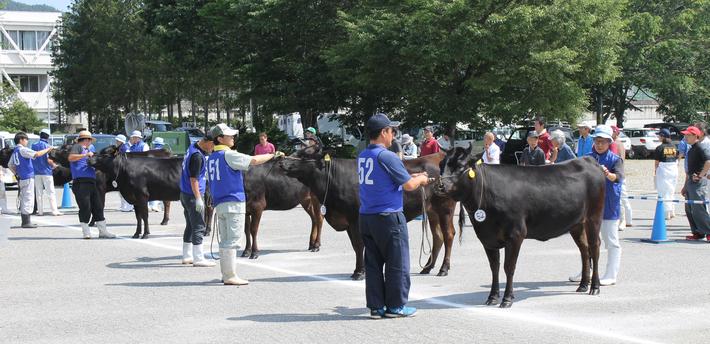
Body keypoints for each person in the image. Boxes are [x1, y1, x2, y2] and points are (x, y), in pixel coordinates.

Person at [358, 113, 430, 318]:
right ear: (383, 132)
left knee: (372, 263)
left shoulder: (363, 155)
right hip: (388, 217)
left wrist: (410, 177)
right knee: (397, 262)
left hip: (367, 216)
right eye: (392, 131)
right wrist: (422, 178)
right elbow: (408, 185)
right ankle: (396, 306)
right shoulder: (387, 155)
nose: (393, 135)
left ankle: (376, 306)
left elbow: (388, 179)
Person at [207, 123, 281, 285]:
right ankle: (230, 275)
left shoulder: (211, 157)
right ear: (220, 139)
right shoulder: (229, 155)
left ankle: (226, 273)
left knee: (225, 240)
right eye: (229, 136)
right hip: (233, 202)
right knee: (232, 241)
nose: (233, 137)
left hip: (220, 203)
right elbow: (253, 160)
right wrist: (273, 155)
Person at [581, 124, 623, 286]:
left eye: (603, 141)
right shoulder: (587, 158)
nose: (599, 144)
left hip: (609, 203)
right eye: (597, 141)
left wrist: (607, 174)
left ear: (609, 142)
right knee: (587, 240)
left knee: (611, 240)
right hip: (589, 206)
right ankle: (586, 270)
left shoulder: (615, 159)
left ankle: (611, 274)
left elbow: (618, 177)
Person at [67, 130, 115, 239]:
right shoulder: (78, 147)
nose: (90, 142)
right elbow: (70, 158)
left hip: (91, 181)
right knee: (85, 207)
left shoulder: (88, 150)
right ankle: (86, 232)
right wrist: (85, 155)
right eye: (89, 140)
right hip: (81, 182)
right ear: (85, 140)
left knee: (98, 206)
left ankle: (103, 231)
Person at [179, 134, 215, 266]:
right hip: (193, 195)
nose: (213, 148)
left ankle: (187, 255)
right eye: (213, 145)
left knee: (190, 225)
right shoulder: (197, 157)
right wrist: (199, 198)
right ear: (207, 142)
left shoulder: (192, 147)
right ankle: (198, 258)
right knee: (199, 226)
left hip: (184, 193)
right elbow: (193, 179)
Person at [9, 132, 54, 227]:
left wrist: (16, 173)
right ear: (21, 139)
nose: (27, 142)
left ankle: (25, 220)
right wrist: (48, 149)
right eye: (26, 140)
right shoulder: (23, 150)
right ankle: (26, 221)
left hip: (22, 177)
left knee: (24, 197)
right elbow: (36, 154)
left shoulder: (15, 151)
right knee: (28, 198)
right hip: (28, 176)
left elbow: (10, 164)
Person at [680, 126, 710, 241]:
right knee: (689, 208)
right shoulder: (691, 148)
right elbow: (689, 170)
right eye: (685, 135)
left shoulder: (701, 147)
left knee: (698, 208)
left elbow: (708, 161)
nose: (685, 137)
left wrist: (701, 175)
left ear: (695, 136)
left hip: (698, 183)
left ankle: (708, 231)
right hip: (690, 182)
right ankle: (697, 232)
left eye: (688, 135)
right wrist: (685, 185)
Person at [32, 129, 62, 216]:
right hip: (46, 172)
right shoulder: (48, 146)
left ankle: (40, 211)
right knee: (50, 192)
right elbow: (48, 160)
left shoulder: (33, 145)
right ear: (48, 136)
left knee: (38, 192)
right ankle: (54, 211)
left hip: (36, 172)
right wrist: (54, 166)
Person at [611, 125, 633, 229]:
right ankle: (628, 220)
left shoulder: (617, 143)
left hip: (618, 174)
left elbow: (619, 161)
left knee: (622, 198)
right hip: (618, 173)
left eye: (612, 131)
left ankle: (625, 220)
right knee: (623, 198)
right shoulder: (615, 143)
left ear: (616, 133)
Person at [654, 129, 678, 220]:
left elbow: (657, 162)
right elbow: (676, 158)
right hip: (673, 170)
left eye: (659, 135)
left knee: (663, 191)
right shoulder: (674, 146)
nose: (658, 137)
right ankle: (672, 211)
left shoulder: (659, 148)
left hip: (663, 171)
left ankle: (666, 213)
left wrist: (655, 172)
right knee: (671, 190)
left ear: (662, 136)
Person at [116, 134, 134, 212]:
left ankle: (129, 206)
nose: (116, 141)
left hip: (125, 171)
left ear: (121, 141)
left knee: (126, 190)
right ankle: (123, 205)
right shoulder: (120, 148)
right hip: (121, 171)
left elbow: (128, 160)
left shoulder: (125, 148)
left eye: (117, 140)